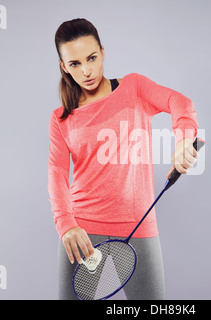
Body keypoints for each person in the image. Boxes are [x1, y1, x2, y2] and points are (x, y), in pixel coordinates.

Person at [48, 18, 199, 300]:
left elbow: (181, 103)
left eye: (91, 58)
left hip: (138, 224)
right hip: (82, 231)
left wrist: (183, 140)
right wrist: (66, 224)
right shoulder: (60, 119)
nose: (87, 71)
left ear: (103, 52)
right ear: (64, 67)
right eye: (75, 64)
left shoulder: (134, 88)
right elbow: (56, 174)